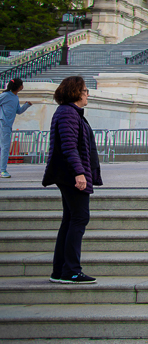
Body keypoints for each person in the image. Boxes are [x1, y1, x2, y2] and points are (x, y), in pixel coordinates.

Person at [41, 76, 102, 284]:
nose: (87, 94)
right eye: (85, 90)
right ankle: (71, 271)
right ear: (76, 92)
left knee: (70, 220)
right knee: (79, 218)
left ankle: (60, 270)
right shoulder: (68, 112)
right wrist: (79, 173)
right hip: (70, 175)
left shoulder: (70, 112)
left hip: (68, 174)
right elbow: (68, 146)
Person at [0, 78, 32, 179]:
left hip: (7, 125)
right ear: (18, 86)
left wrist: (26, 105)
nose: (23, 86)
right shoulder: (5, 95)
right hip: (3, 124)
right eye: (22, 85)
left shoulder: (15, 97)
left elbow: (18, 111)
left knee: (4, 147)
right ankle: (2, 170)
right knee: (5, 147)